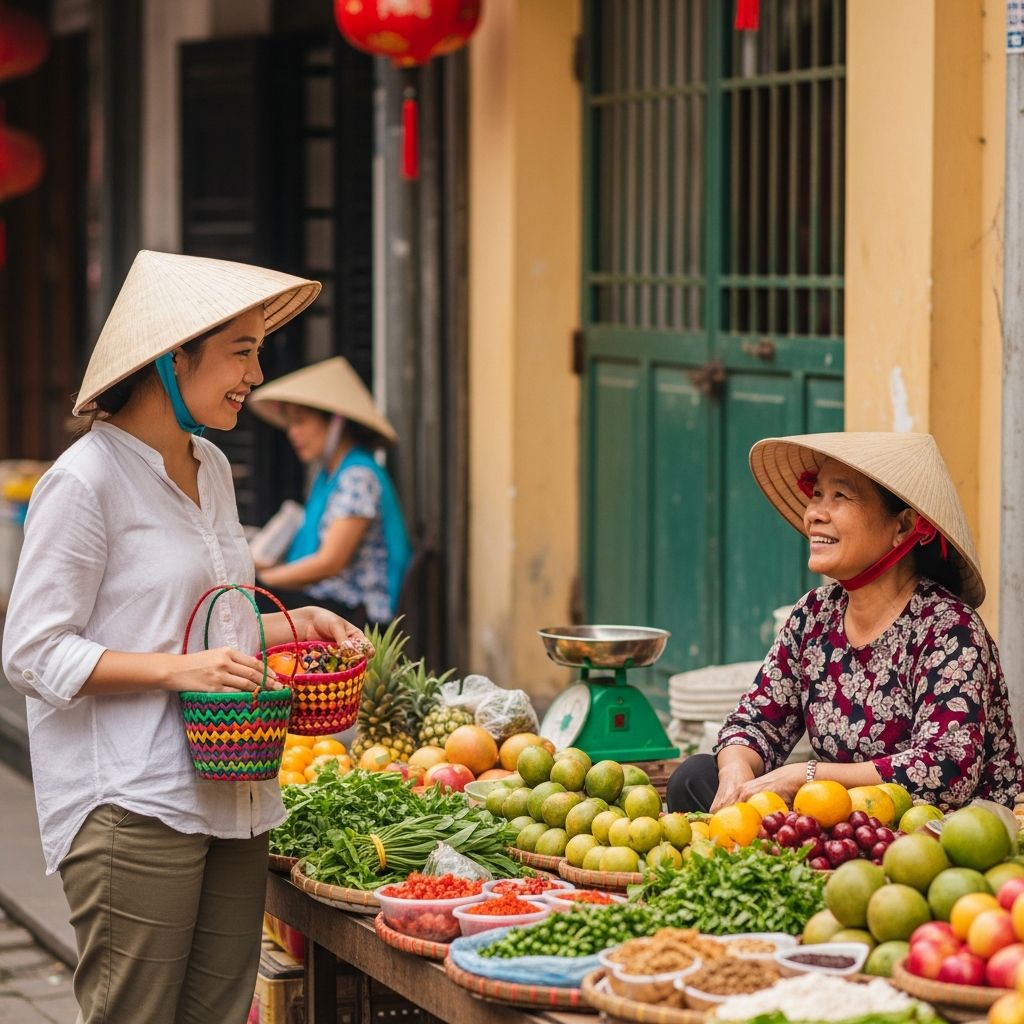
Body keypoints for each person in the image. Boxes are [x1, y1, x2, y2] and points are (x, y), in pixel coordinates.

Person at [1, 250, 372, 1024]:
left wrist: (293, 624)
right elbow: (32, 651)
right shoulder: (85, 480)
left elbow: (205, 624)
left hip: (233, 792)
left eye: (257, 351)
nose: (256, 375)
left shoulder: (210, 464)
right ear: (174, 357)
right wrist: (177, 673)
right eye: (241, 350)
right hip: (131, 802)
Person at [667, 431, 1023, 816]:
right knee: (695, 776)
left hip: (935, 834)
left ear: (903, 527)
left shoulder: (948, 629)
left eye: (840, 496)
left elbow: (946, 770)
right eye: (817, 494)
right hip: (839, 820)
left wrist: (808, 776)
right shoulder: (814, 615)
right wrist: (736, 770)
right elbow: (755, 722)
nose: (815, 513)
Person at [248, 356, 412, 627]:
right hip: (327, 602)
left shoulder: (358, 477)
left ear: (336, 422)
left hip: (355, 614)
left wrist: (262, 582)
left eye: (300, 421)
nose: (293, 433)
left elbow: (330, 562)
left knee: (251, 599)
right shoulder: (329, 476)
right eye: (289, 423)